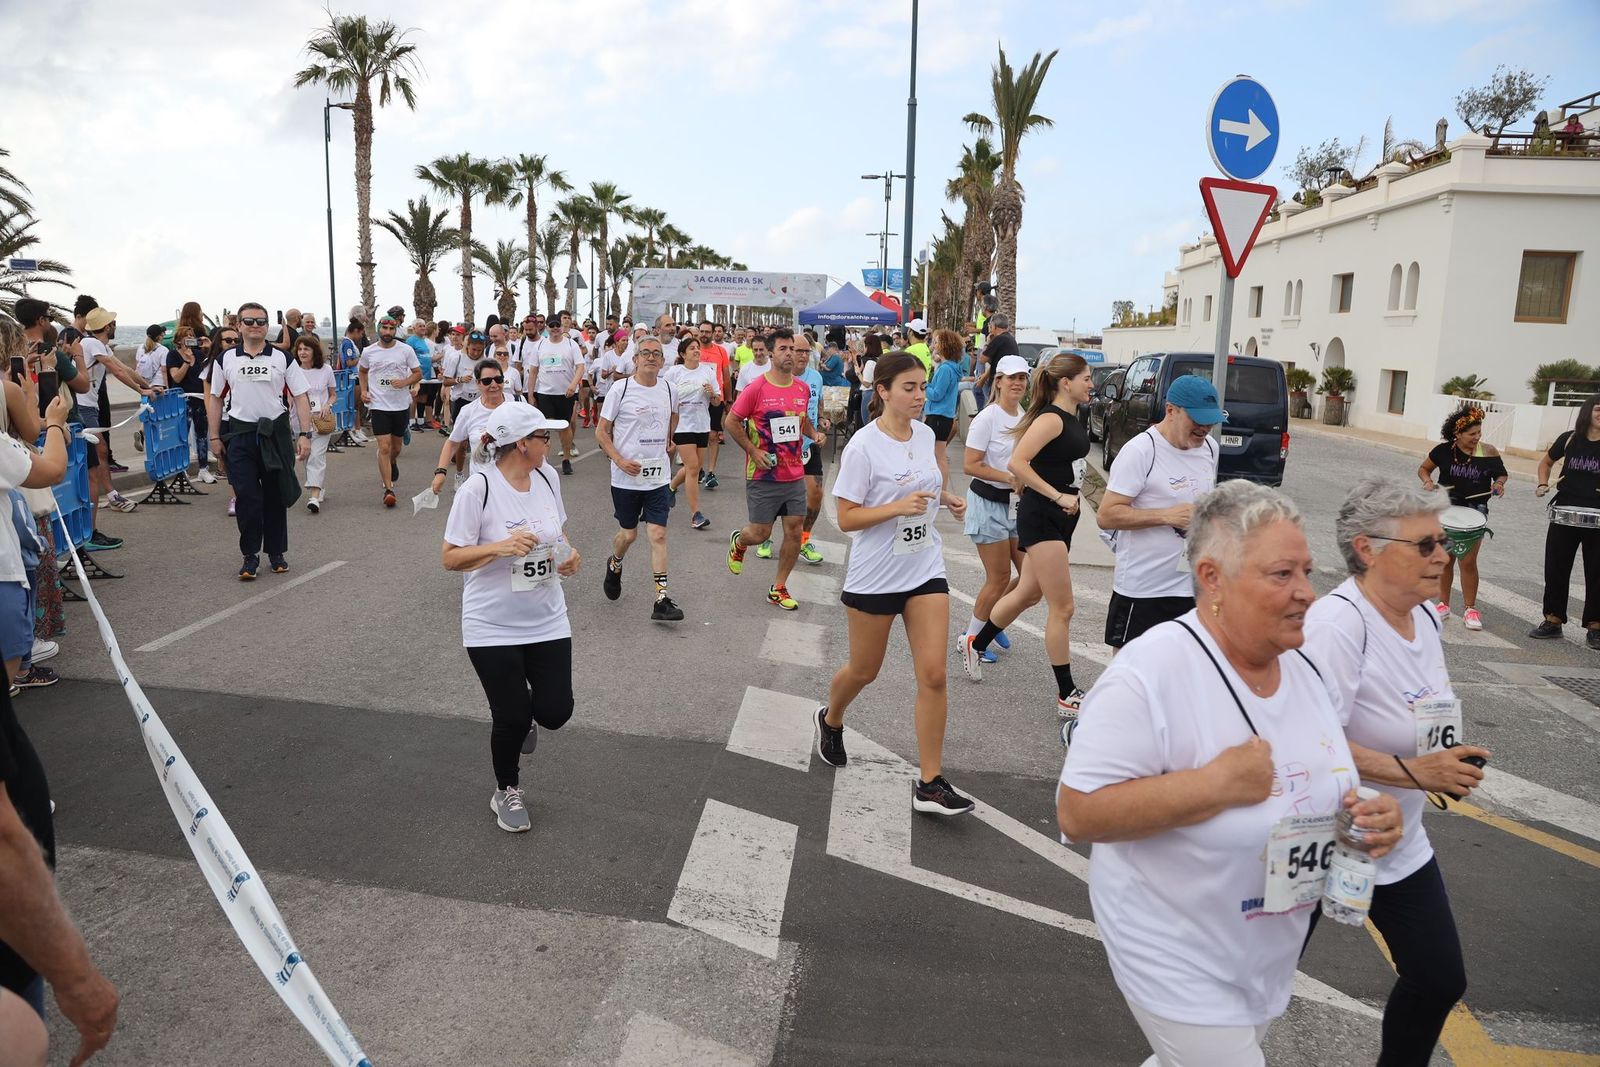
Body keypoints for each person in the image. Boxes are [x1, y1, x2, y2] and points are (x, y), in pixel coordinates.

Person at [1058, 480, 1404, 1067]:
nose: (1306, 594)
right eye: (1281, 575)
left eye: (1307, 573)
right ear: (1213, 578)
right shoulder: (1153, 670)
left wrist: (1367, 814)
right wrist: (1212, 785)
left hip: (1262, 948)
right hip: (1172, 946)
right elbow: (1078, 811)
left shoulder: (1302, 669)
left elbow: (1325, 777)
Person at [1304, 477, 1482, 1065]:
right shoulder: (1338, 624)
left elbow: (1426, 706)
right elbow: (1310, 739)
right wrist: (1414, 770)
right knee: (1258, 984)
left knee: (1437, 979)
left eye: (1444, 543)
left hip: (1393, 839)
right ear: (1368, 549)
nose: (1444, 555)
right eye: (1426, 544)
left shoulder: (1426, 617)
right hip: (1316, 835)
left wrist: (1447, 758)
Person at [816, 350, 973, 814]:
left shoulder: (925, 435)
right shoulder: (863, 446)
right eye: (909, 388)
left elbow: (917, 484)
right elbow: (846, 517)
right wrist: (896, 509)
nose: (920, 396)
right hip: (876, 574)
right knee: (865, 670)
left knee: (935, 673)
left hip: (924, 567)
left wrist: (945, 498)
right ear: (882, 391)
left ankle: (930, 782)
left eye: (923, 387)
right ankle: (831, 717)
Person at [442, 401, 579, 834]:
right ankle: (506, 789)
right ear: (522, 443)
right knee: (511, 717)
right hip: (491, 624)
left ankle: (530, 718)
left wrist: (568, 556)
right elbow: (450, 558)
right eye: (543, 437)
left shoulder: (547, 476)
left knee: (556, 711)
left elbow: (557, 533)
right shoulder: (477, 489)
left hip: (547, 617)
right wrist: (499, 548)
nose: (550, 442)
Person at [959, 353, 1094, 723]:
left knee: (1028, 592)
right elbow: (1018, 463)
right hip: (1043, 515)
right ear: (1066, 383)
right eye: (1086, 378)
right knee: (1063, 608)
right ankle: (1066, 693)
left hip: (1063, 515)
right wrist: (1057, 495)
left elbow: (1078, 468)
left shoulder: (1070, 416)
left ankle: (977, 641)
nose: (1092, 384)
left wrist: (1097, 504)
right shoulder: (1050, 419)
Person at [1097, 374, 1221, 650]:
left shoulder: (1210, 449)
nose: (1205, 428)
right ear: (1171, 411)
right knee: (1132, 681)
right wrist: (1166, 516)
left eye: (1211, 421)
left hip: (1191, 586)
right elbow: (1107, 515)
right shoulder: (1142, 451)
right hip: (1143, 588)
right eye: (1198, 420)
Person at [205, 301, 313, 579]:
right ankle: (249, 555)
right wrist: (214, 436)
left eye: (261, 321)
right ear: (238, 326)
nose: (255, 326)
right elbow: (215, 398)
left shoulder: (283, 358)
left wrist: (304, 433)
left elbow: (300, 396)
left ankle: (276, 552)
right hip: (240, 436)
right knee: (248, 498)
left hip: (275, 435)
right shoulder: (225, 359)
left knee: (275, 498)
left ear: (267, 326)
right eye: (249, 321)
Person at [724, 329, 820, 611]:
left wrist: (815, 433)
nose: (790, 353)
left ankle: (778, 587)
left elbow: (801, 421)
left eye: (793, 348)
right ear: (770, 353)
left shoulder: (802, 388)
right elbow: (731, 421)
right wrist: (753, 451)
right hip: (763, 474)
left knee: (793, 531)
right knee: (761, 533)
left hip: (793, 473)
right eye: (784, 349)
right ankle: (740, 541)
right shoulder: (756, 388)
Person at [595, 335, 683, 621]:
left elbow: (674, 417)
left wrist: (671, 440)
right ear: (635, 359)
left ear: (662, 360)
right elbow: (601, 431)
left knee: (657, 534)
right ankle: (615, 563)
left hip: (657, 476)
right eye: (645, 353)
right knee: (629, 535)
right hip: (625, 479)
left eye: (656, 353)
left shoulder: (669, 388)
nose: (651, 357)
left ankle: (661, 599)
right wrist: (619, 460)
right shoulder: (620, 390)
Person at [959, 354, 1033, 665]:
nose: (1017, 383)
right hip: (987, 503)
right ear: (998, 381)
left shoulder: (1026, 416)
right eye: (1011, 377)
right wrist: (1008, 476)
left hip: (1017, 506)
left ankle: (993, 619)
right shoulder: (987, 418)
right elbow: (969, 465)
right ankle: (972, 639)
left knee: (1032, 579)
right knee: (999, 577)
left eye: (1022, 378)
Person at [1417, 403, 1506, 630]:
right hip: (1446, 508)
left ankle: (1470, 609)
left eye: (1479, 433)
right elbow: (1424, 469)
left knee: (1468, 560)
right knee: (1446, 559)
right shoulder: (1444, 451)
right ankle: (1443, 605)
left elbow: (1501, 474)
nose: (1477, 437)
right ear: (1457, 434)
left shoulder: (1488, 452)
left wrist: (1498, 484)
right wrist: (1428, 482)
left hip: (1475, 510)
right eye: (1472, 434)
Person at [1531, 395, 1600, 645]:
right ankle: (1553, 620)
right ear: (1587, 412)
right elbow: (1546, 463)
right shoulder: (1570, 438)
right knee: (1556, 568)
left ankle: (1595, 626)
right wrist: (1541, 482)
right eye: (1598, 409)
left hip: (1598, 516)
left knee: (1597, 572)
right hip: (1565, 512)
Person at [81, 307, 161, 512]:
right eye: (113, 323)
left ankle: (109, 494)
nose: (115, 326)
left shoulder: (100, 346)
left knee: (99, 452)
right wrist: (141, 390)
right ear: (108, 326)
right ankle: (111, 495)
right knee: (100, 451)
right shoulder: (91, 343)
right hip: (83, 406)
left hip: (90, 405)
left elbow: (125, 369)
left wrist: (146, 386)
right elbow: (116, 371)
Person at [358, 314, 423, 508]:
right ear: (379, 329)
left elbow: (418, 373)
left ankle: (392, 463)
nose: (387, 333)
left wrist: (405, 382)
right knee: (384, 447)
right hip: (379, 405)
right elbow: (362, 371)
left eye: (391, 329)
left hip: (400, 405)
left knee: (395, 448)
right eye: (384, 329)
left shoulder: (406, 350)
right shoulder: (369, 351)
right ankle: (388, 489)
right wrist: (363, 391)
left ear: (396, 330)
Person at [430, 360, 513, 498]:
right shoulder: (468, 411)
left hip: (513, 484)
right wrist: (440, 472)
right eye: (487, 381)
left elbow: (536, 438)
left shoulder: (518, 403)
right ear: (478, 383)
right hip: (482, 487)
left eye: (498, 379)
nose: (494, 385)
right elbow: (452, 443)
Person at [664, 337, 720, 530]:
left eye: (698, 348)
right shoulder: (674, 373)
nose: (697, 351)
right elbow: (664, 396)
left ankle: (670, 487)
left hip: (702, 425)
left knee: (692, 469)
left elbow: (716, 402)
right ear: (682, 353)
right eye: (692, 348)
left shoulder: (708, 371)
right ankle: (696, 514)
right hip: (682, 425)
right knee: (694, 468)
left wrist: (712, 393)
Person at [529, 313, 584, 475]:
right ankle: (543, 461)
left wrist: (573, 386)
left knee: (564, 427)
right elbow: (533, 371)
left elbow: (580, 367)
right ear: (546, 327)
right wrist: (531, 395)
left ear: (562, 326)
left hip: (565, 394)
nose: (554, 329)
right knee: (544, 428)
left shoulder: (571, 345)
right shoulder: (540, 346)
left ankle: (566, 459)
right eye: (551, 326)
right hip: (545, 393)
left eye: (557, 325)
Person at [292, 334, 336, 514]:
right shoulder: (293, 370)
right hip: (299, 422)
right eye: (300, 349)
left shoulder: (326, 370)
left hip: (321, 421)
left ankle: (314, 496)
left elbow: (333, 394)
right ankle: (318, 486)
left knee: (317, 456)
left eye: (306, 349)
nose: (302, 352)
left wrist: (327, 405)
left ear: (314, 351)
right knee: (308, 456)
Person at [923, 329, 962, 492]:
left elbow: (937, 394)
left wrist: (924, 387)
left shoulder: (946, 369)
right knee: (938, 456)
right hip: (941, 416)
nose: (934, 344)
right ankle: (940, 491)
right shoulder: (950, 367)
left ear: (945, 345)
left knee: (939, 457)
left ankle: (942, 492)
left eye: (937, 342)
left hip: (938, 416)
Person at [695, 321, 732, 485]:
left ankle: (711, 472)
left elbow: (726, 376)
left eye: (707, 332)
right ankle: (698, 469)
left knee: (713, 435)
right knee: (697, 436)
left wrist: (729, 399)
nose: (704, 334)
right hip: (695, 399)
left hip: (715, 397)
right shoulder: (693, 349)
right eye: (701, 331)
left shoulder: (720, 351)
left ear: (712, 334)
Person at [405, 320, 438, 432]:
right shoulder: (411, 340)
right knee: (415, 397)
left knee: (424, 397)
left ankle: (420, 421)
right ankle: (411, 422)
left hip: (426, 374)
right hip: (415, 374)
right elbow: (407, 356)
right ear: (414, 328)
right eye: (420, 326)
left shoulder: (424, 340)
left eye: (424, 326)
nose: (423, 328)